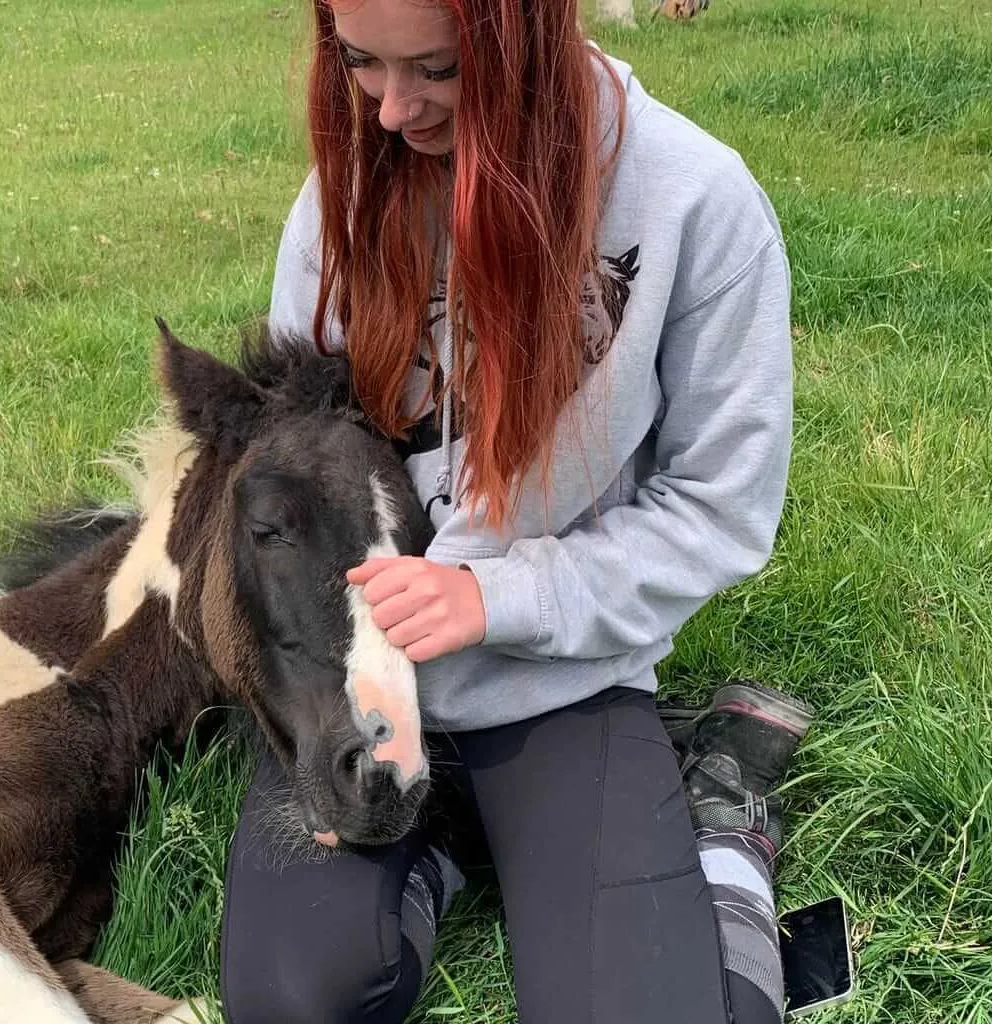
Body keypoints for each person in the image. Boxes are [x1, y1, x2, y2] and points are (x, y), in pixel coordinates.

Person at [216, 1, 817, 1022]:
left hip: (558, 682)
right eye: (361, 62)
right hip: (362, 676)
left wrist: (494, 597)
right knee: (291, 1000)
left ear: (526, 35)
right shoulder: (344, 197)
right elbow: (295, 482)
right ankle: (452, 840)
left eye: (438, 70)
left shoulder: (693, 202)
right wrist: (310, 707)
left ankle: (722, 824)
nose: (394, 111)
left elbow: (719, 509)